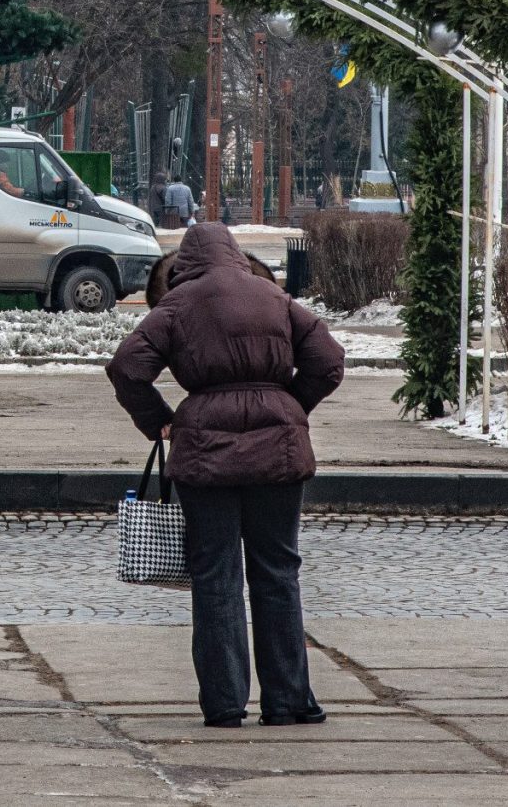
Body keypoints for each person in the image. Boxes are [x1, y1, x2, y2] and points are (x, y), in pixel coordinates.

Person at [108, 221, 346, 729]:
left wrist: (159, 420)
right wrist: (287, 407)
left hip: (205, 453)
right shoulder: (274, 297)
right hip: (278, 453)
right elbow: (329, 361)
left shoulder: (178, 304)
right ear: (236, 254)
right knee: (278, 572)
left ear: (185, 264)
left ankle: (224, 704)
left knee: (215, 575)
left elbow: (126, 367)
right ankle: (288, 701)